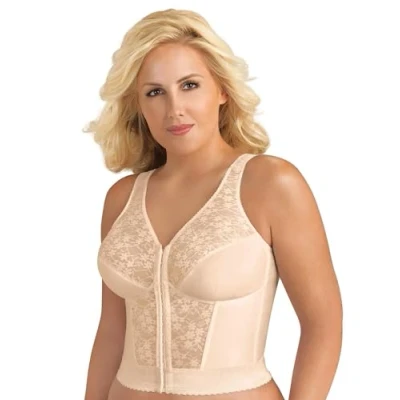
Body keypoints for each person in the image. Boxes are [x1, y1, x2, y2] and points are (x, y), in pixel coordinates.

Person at [82, 8, 343, 400]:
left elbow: (323, 324)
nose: (174, 108)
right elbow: (112, 332)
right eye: (155, 92)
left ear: (222, 90)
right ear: (138, 105)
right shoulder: (122, 199)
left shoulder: (270, 184)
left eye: (189, 85)